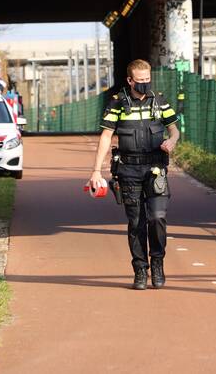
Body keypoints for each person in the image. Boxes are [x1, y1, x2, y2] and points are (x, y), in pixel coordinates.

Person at [87, 59, 179, 290]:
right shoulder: (117, 103)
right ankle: (140, 270)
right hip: (128, 170)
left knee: (157, 218)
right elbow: (106, 136)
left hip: (156, 169)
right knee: (136, 223)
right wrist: (96, 171)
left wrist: (172, 141)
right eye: (140, 81)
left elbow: (174, 128)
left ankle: (157, 263)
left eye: (148, 80)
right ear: (130, 81)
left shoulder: (159, 100)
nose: (145, 84)